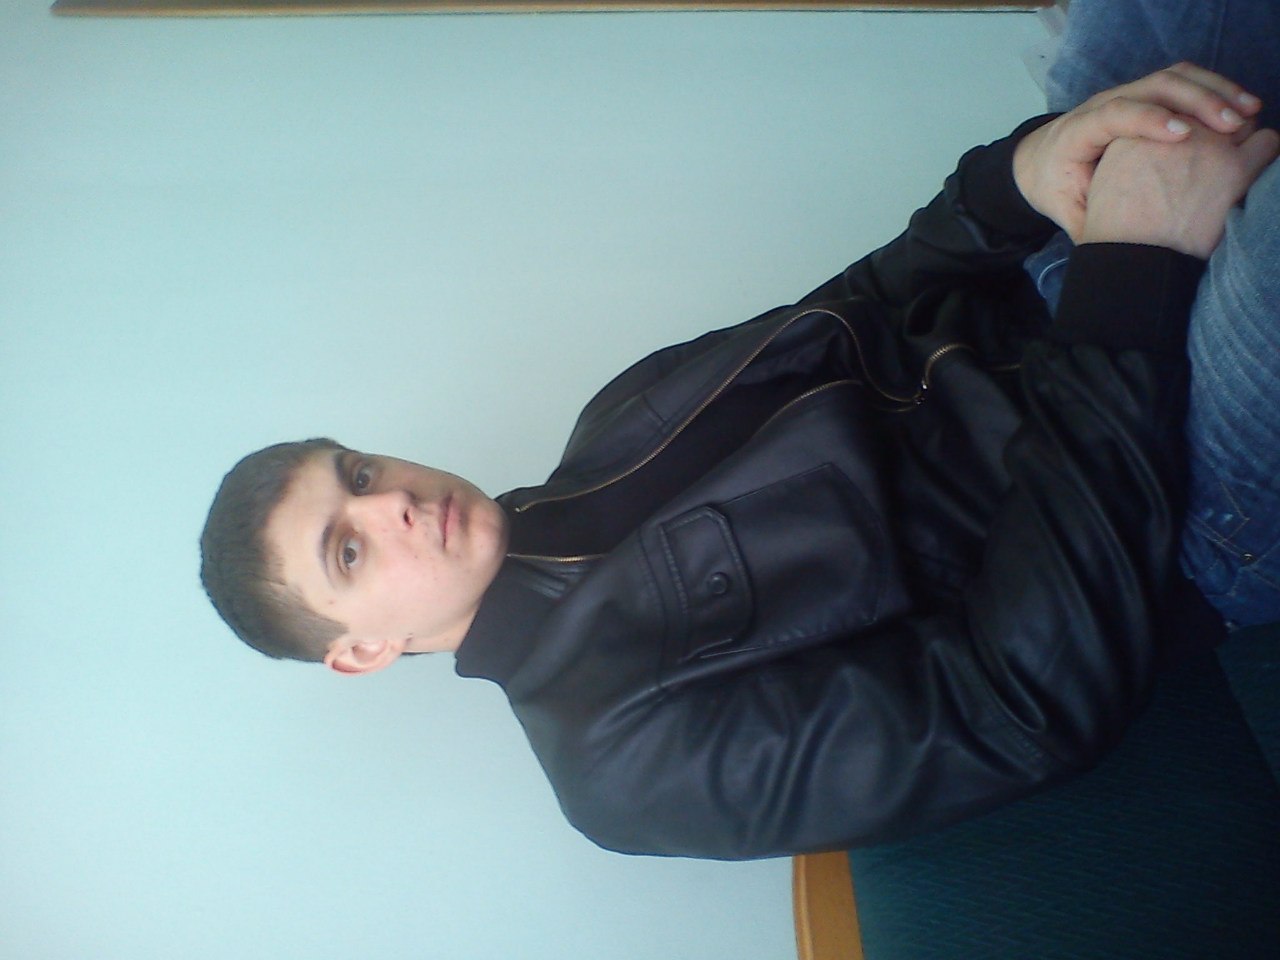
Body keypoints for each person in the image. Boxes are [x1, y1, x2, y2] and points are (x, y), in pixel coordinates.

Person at [199, 6, 1280, 858]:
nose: (391, 501)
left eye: (357, 472)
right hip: (1178, 496)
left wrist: (1018, 178)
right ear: (362, 653)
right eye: (348, 549)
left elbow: (859, 301)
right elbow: (1021, 704)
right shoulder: (617, 766)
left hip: (1070, 298)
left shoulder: (614, 416)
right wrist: (1130, 273)